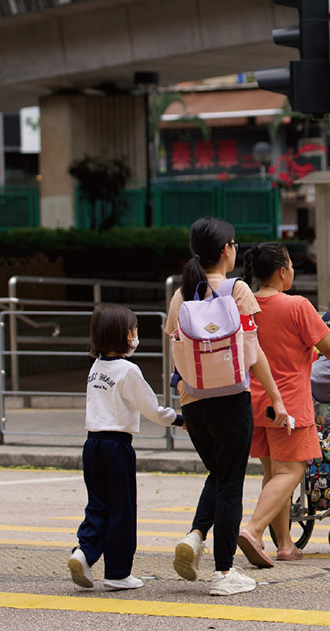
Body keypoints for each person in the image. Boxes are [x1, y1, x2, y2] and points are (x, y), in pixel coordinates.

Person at [164, 217, 288, 597]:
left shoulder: (180, 294)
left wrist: (181, 398)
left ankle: (196, 535)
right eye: (233, 244)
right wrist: (277, 398)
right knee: (231, 483)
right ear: (225, 250)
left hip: (194, 401)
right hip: (232, 400)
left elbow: (175, 352)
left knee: (219, 473)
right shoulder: (237, 290)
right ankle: (223, 572)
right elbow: (254, 352)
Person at [237, 243, 330, 567]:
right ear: (283, 272)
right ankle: (253, 530)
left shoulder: (245, 305)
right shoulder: (297, 305)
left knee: (273, 475)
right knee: (292, 470)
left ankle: (284, 544)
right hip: (289, 403)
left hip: (255, 401)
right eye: (292, 266)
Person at [69, 304, 184, 591]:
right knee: (122, 508)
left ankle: (84, 552)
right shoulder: (128, 370)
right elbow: (152, 409)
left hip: (92, 443)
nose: (136, 335)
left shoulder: (95, 369)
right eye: (134, 330)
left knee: (98, 504)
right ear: (124, 335)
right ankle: (118, 573)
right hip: (117, 446)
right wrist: (179, 419)